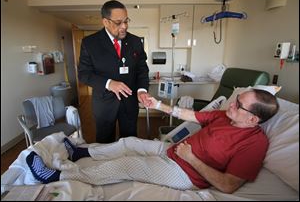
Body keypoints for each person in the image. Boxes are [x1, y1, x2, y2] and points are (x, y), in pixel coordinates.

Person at [26, 89, 279, 193]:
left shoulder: (254, 144)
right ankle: (83, 153)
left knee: (126, 164)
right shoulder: (226, 116)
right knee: (130, 142)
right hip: (174, 151)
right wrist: (158, 104)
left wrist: (192, 159)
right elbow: (190, 115)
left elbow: (228, 185)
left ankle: (57, 176)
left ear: (253, 119)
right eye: (235, 100)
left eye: (239, 104)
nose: (231, 104)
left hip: (187, 173)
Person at [77, 0, 151, 143]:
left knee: (130, 141)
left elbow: (142, 69)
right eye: (118, 22)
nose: (124, 26)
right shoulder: (90, 43)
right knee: (104, 143)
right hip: (104, 104)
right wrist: (109, 83)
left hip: (129, 102)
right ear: (105, 22)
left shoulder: (135, 42)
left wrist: (142, 89)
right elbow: (84, 74)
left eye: (126, 21)